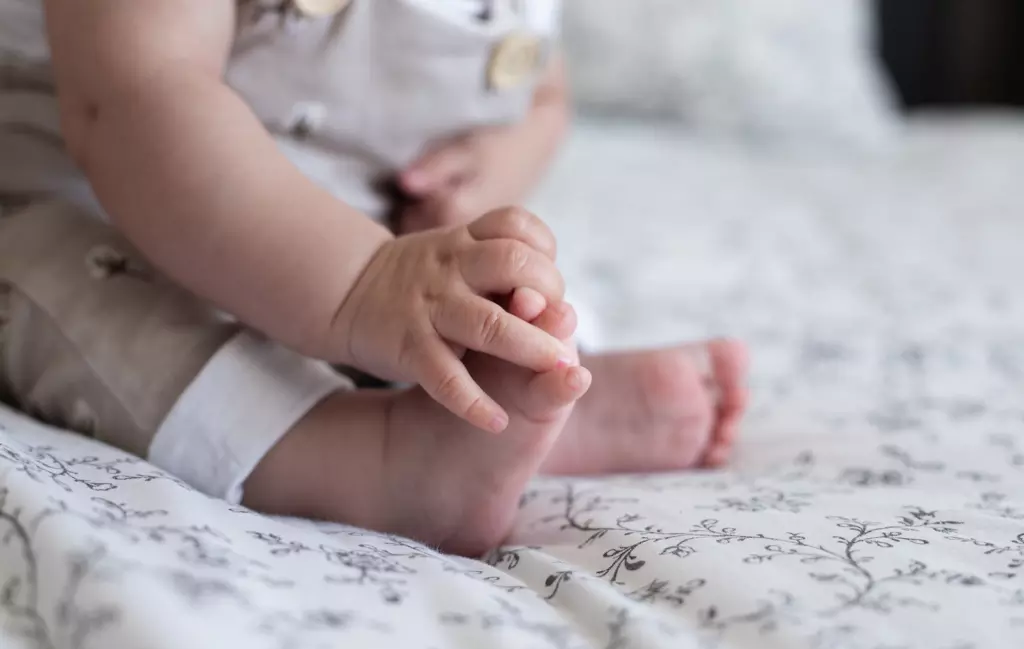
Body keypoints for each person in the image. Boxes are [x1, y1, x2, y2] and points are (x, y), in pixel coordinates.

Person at [0, 0, 746, 556]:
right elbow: (130, 98)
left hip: (367, 244)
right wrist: (362, 281)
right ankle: (369, 458)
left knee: (512, 261)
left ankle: (530, 394)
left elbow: (545, 94)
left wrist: (492, 164)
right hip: (89, 200)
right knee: (72, 291)